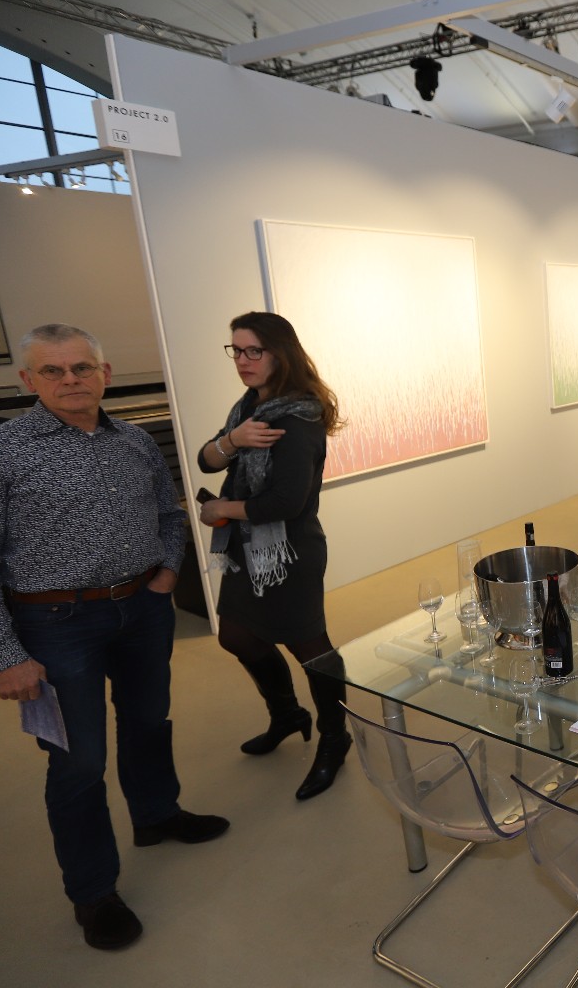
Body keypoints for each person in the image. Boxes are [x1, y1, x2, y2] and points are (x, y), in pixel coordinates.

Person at [0, 323, 229, 951]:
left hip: (142, 609)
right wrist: (2, 655)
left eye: (82, 367)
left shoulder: (134, 441)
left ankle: (157, 814)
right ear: (28, 380)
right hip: (55, 624)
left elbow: (167, 512)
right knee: (78, 759)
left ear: (104, 374)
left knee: (149, 721)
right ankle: (93, 893)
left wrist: (168, 573)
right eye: (52, 371)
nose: (70, 380)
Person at [197, 311, 348, 802]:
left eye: (253, 351)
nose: (242, 360)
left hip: (288, 551)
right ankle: (287, 714)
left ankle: (334, 737)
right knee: (236, 635)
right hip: (247, 547)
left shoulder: (296, 418)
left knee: (312, 649)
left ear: (280, 354)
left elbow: (286, 503)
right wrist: (232, 440)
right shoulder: (249, 408)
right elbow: (205, 459)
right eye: (236, 350)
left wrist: (222, 509)